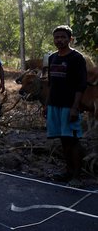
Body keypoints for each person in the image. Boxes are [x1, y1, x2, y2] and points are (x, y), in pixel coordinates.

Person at [46, 25, 87, 187]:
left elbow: (81, 85)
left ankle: (77, 176)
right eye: (57, 37)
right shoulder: (52, 58)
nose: (59, 40)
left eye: (63, 37)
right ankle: (68, 171)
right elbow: (51, 84)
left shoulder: (76, 58)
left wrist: (75, 107)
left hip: (69, 106)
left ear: (71, 39)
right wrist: (47, 104)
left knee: (73, 140)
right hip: (54, 105)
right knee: (63, 140)